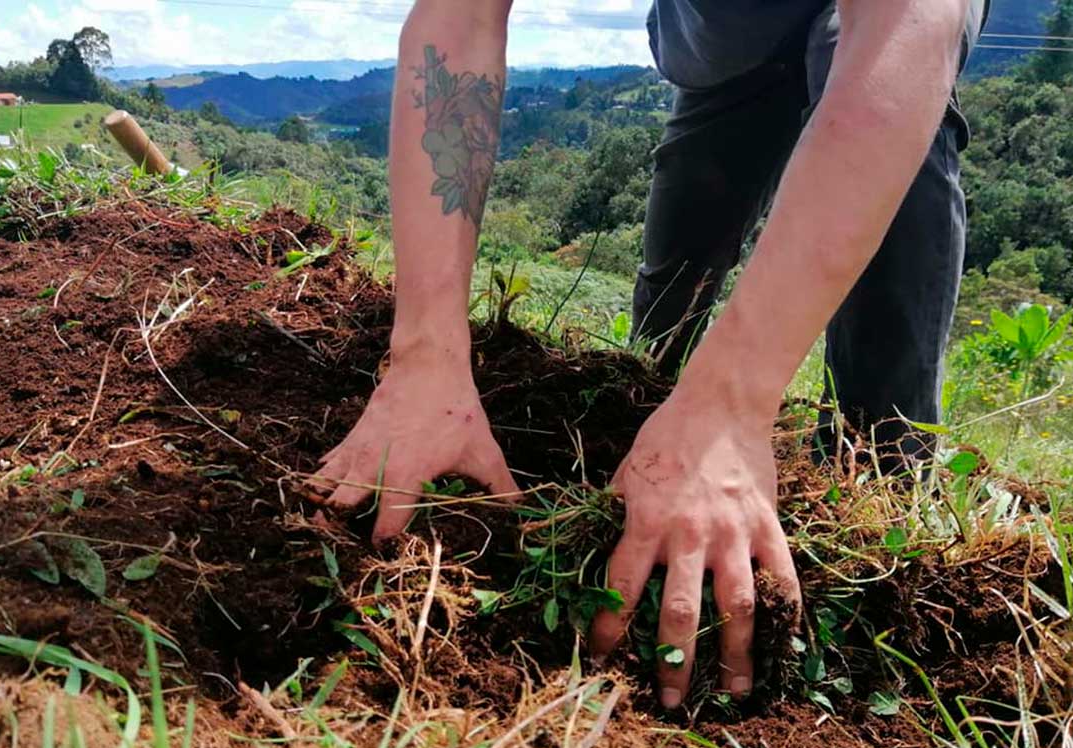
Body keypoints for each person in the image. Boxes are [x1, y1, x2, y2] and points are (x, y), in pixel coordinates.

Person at [316, 0, 987, 710]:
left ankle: (886, 492)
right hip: (719, 40)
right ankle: (657, 411)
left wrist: (731, 403)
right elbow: (460, 19)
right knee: (680, 258)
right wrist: (425, 355)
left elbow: (909, 30)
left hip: (882, 32)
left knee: (899, 197)